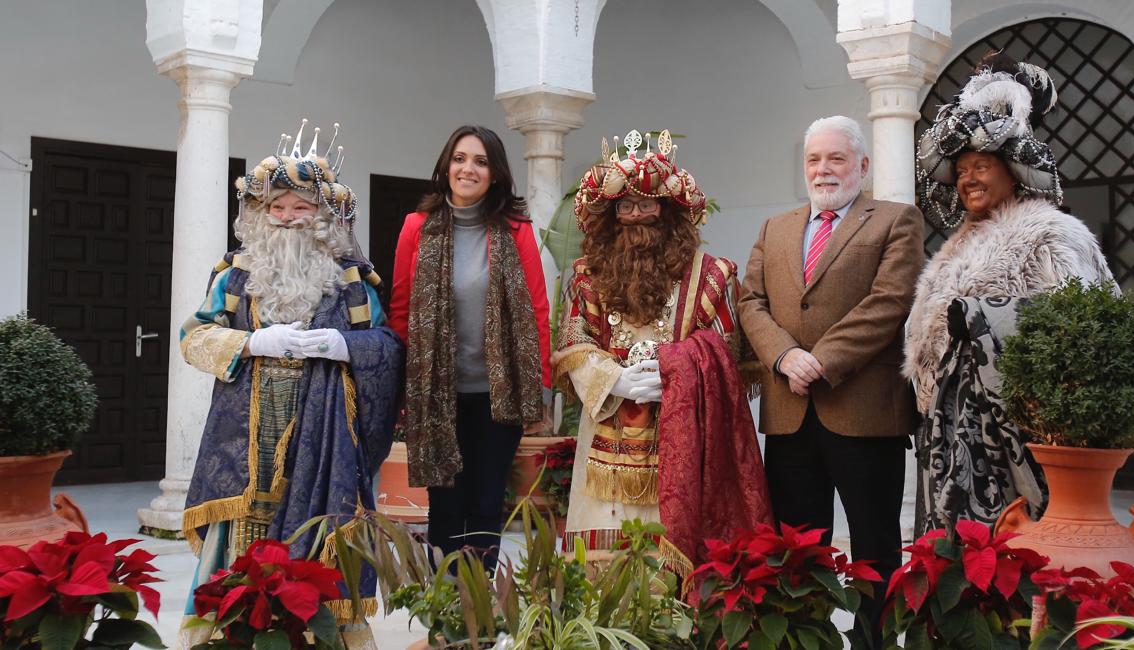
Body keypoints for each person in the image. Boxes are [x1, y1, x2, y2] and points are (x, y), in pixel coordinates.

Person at [178, 122, 404, 648]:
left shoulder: (352, 279)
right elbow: (193, 337)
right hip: (243, 434)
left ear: (323, 216)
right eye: (275, 208)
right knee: (240, 532)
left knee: (320, 529)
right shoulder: (234, 275)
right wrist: (253, 344)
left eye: (300, 208)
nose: (286, 218)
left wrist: (341, 347)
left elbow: (387, 349)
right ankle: (227, 636)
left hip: (321, 435)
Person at [905, 53, 1116, 533]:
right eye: (960, 171)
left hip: (1016, 436)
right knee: (955, 562)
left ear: (1014, 172)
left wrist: (980, 317)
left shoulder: (1051, 233)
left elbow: (1077, 322)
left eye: (981, 166)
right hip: (947, 435)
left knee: (1015, 549)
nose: (967, 179)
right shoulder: (957, 245)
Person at [554, 130, 772, 580]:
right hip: (604, 437)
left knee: (667, 563)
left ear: (670, 213)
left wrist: (676, 366)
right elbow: (573, 341)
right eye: (625, 207)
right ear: (611, 215)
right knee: (600, 569)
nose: (635, 216)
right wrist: (612, 379)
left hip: (682, 436)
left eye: (647, 206)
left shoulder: (713, 277)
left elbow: (728, 356)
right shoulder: (586, 276)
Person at [737, 116, 924, 639]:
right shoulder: (775, 229)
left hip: (864, 412)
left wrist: (822, 360)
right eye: (814, 159)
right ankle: (804, 638)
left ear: (862, 166)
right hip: (790, 412)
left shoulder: (895, 220)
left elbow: (891, 300)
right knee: (796, 548)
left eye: (836, 158)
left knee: (875, 546)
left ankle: (873, 641)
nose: (823, 170)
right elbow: (750, 301)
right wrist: (784, 356)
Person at [389, 125, 550, 569]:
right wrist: (400, 388)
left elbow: (536, 308)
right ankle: (445, 613)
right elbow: (401, 310)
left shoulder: (514, 230)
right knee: (445, 503)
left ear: (495, 174)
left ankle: (477, 612)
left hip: (501, 396)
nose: (468, 169)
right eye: (460, 158)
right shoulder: (416, 229)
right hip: (437, 393)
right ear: (446, 165)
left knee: (484, 501)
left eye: (480, 161)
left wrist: (542, 389)